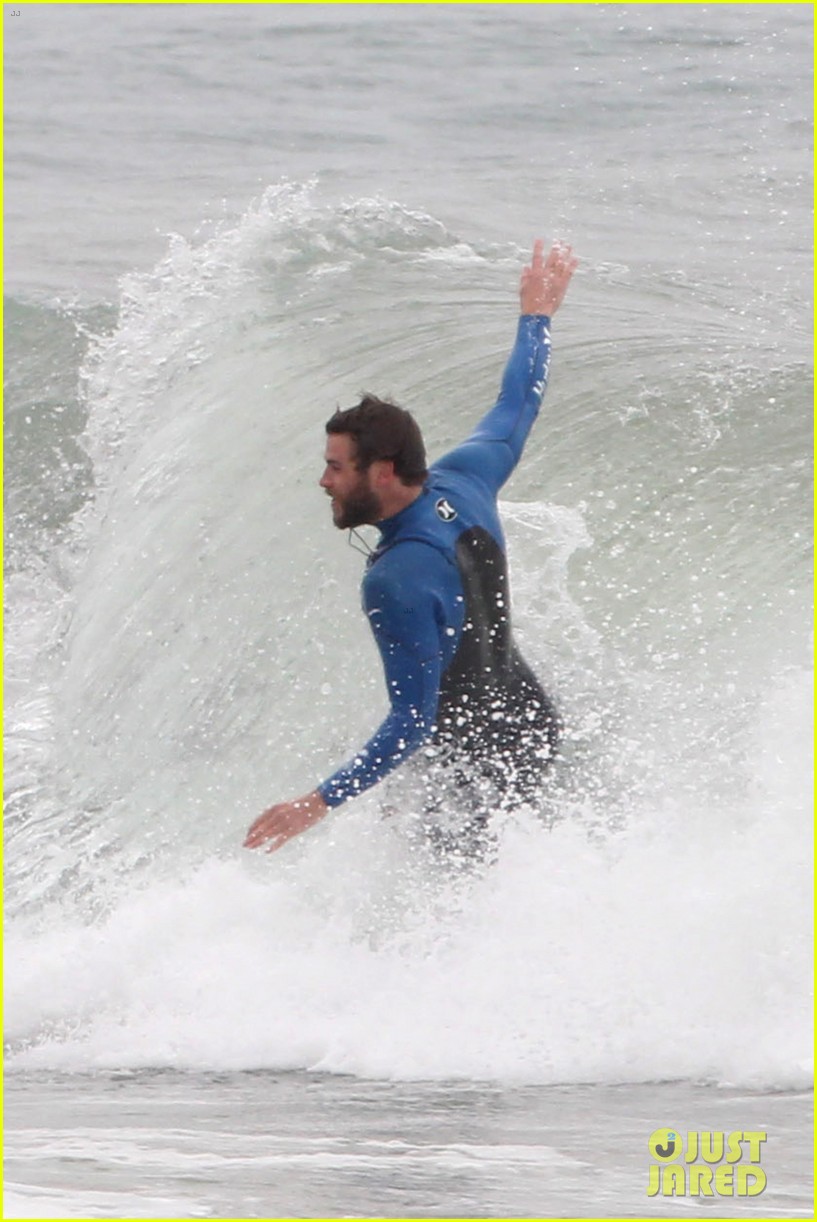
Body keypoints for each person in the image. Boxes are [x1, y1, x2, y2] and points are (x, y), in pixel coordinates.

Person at [244, 239, 577, 856]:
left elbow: (412, 723)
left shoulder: (398, 579)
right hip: (532, 723)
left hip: (473, 771)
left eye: (336, 469)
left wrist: (315, 802)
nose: (324, 482)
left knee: (459, 911)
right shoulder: (468, 476)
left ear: (383, 472)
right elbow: (518, 402)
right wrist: (536, 317)